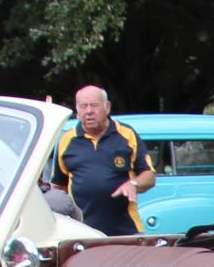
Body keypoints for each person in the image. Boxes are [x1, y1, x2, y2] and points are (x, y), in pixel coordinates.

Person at [52, 85, 155, 235]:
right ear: (77, 110)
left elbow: (149, 176)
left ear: (107, 107)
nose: (89, 111)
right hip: (82, 231)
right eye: (83, 106)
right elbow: (59, 188)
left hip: (127, 230)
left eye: (94, 105)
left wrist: (133, 184)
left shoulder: (126, 134)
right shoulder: (66, 140)